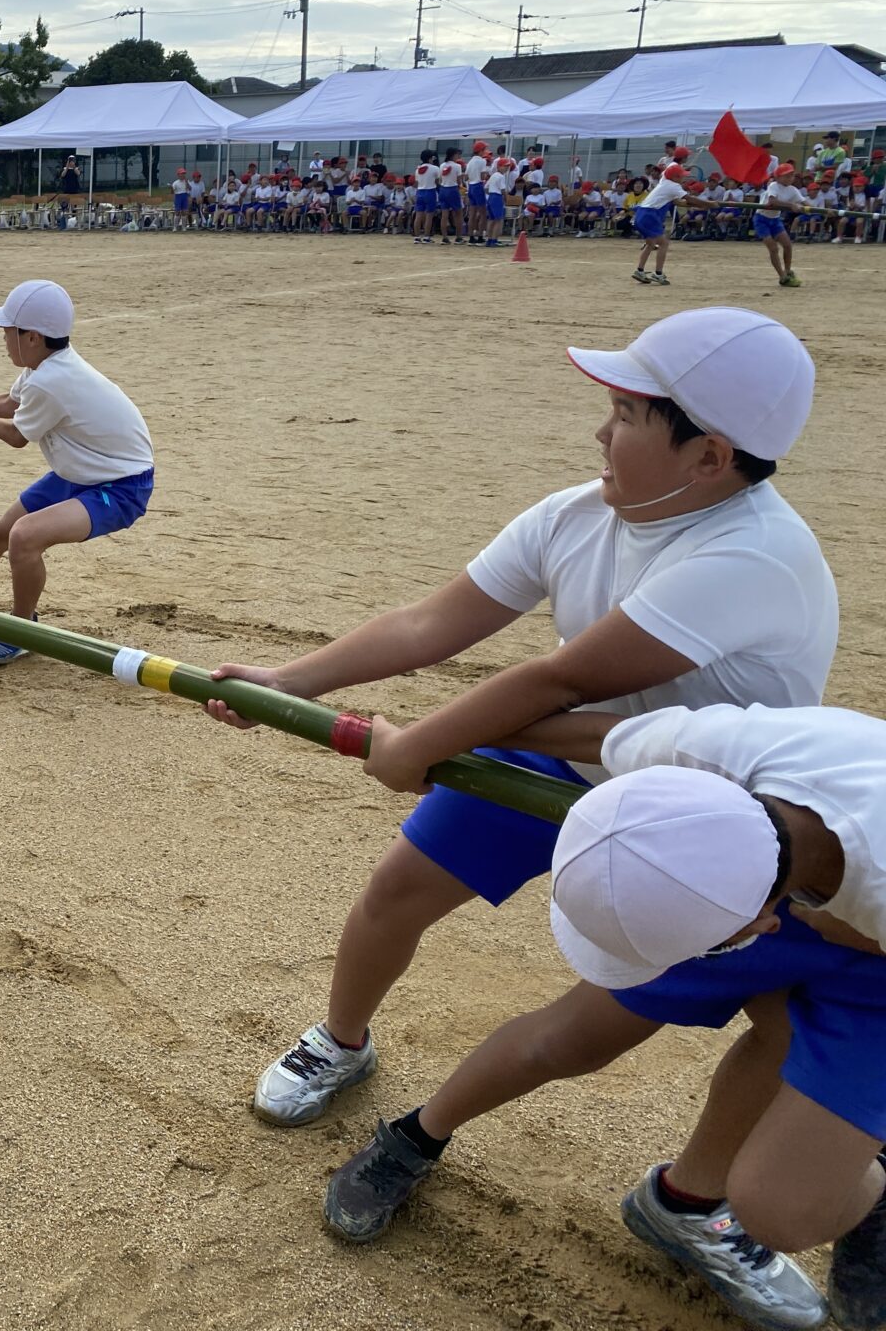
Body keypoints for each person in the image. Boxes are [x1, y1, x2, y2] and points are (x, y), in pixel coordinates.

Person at [209, 306, 834, 1139]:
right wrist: (288, 678)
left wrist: (414, 748)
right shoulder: (579, 515)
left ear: (710, 457)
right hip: (565, 755)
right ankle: (340, 1041)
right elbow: (430, 625)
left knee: (764, 1015)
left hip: (715, 813)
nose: (599, 433)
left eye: (624, 415)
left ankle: (698, 1194)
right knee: (397, 891)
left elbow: (559, 677)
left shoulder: (753, 556)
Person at [325, 702, 886, 1331]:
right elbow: (596, 731)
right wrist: (425, 739)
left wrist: (858, 928)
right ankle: (416, 1136)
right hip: (751, 868)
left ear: (757, 927)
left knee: (786, 1202)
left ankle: (700, 1201)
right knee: (577, 1035)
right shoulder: (709, 747)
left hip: (870, 959)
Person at [0, 280, 154, 665]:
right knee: (1, 532)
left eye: (9, 332)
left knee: (24, 537)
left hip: (120, 486)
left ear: (33, 337)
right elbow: (8, 403)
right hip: (82, 472)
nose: (4, 339)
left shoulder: (51, 380)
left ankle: (22, 629)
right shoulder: (44, 367)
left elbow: (15, 436)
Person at [631, 163, 717, 286]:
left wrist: (704, 204)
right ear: (675, 177)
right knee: (663, 243)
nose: (684, 178)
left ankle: (640, 270)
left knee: (650, 244)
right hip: (650, 215)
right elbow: (690, 200)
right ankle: (658, 274)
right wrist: (710, 204)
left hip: (642, 214)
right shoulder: (674, 186)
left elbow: (680, 202)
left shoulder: (664, 180)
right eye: (682, 175)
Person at [757, 163, 809, 288]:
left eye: (791, 176)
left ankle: (788, 271)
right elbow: (772, 201)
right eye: (786, 176)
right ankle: (782, 276)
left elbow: (805, 202)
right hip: (761, 219)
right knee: (774, 248)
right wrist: (791, 205)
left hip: (775, 220)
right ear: (778, 177)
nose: (790, 178)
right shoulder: (774, 185)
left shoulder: (793, 190)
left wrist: (817, 209)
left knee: (787, 245)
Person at [57, 155, 83, 224]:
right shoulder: (65, 168)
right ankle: (66, 219)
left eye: (73, 161)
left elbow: (78, 173)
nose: (72, 162)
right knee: (65, 205)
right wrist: (67, 167)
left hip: (74, 189)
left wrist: (74, 167)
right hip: (66, 189)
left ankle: (74, 220)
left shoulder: (77, 168)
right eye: (70, 161)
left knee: (74, 205)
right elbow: (62, 175)